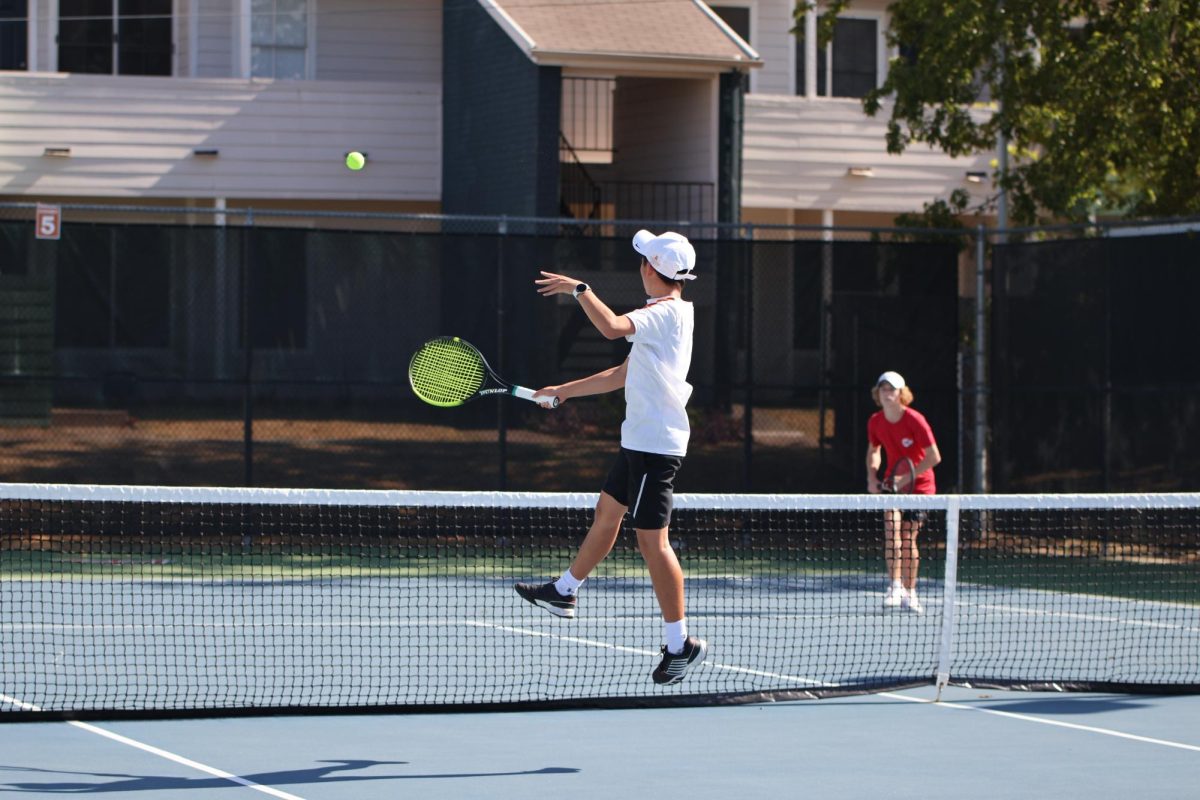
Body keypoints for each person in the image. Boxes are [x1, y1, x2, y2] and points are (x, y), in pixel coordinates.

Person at [513, 229, 707, 685]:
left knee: (651, 542)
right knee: (607, 512)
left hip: (656, 447)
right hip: (640, 440)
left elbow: (610, 327)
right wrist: (563, 391)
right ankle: (564, 591)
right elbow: (623, 373)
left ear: (649, 269)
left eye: (641, 260)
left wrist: (581, 289)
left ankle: (680, 643)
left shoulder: (664, 313)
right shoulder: (666, 317)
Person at [865, 370, 941, 614]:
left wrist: (907, 477)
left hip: (921, 487)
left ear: (901, 393)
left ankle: (911, 592)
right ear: (878, 393)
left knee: (908, 539)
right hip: (892, 486)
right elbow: (874, 450)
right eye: (883, 389)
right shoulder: (875, 421)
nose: (888, 393)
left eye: (892, 389)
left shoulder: (915, 420)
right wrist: (872, 477)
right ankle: (895, 586)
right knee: (891, 531)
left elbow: (934, 457)